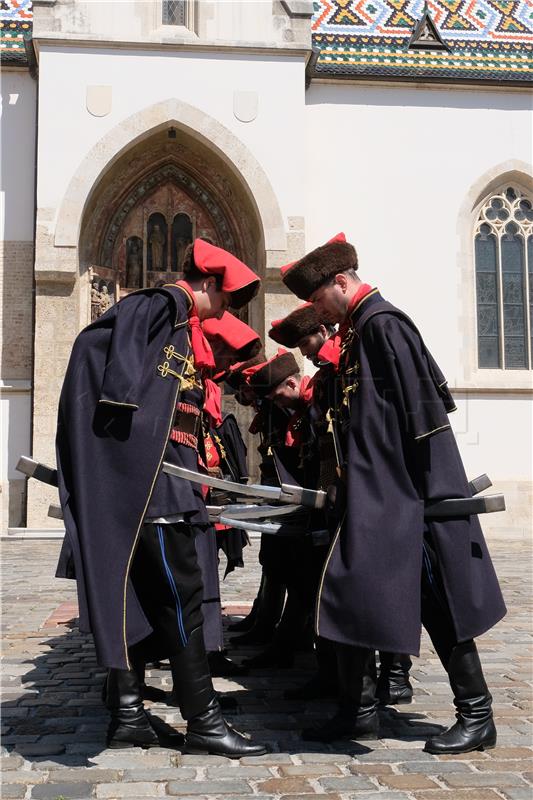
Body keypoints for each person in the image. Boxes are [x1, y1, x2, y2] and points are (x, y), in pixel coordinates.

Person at [280, 232, 506, 753]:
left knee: (438, 599)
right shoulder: (360, 331)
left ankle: (478, 713)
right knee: (350, 590)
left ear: (341, 282)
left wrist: (426, 499)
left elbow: (423, 412)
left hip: (406, 497)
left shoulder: (383, 325)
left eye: (319, 301)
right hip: (374, 493)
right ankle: (357, 711)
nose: (320, 314)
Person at [55, 238, 267, 756]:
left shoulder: (171, 323)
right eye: (225, 299)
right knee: (181, 600)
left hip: (162, 481)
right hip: (157, 487)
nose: (223, 313)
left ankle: (128, 715)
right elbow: (101, 356)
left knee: (145, 598)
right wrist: (122, 433)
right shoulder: (159, 306)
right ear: (209, 284)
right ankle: (203, 723)